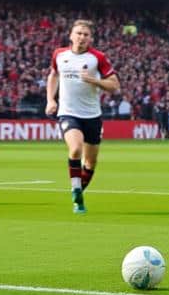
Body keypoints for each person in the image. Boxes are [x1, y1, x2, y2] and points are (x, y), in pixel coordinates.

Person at [46, 20, 120, 215]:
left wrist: (94, 80)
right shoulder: (59, 55)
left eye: (86, 34)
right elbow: (53, 75)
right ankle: (76, 189)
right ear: (71, 35)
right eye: (79, 33)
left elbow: (115, 86)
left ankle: (78, 195)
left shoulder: (98, 58)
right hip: (68, 112)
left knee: (90, 163)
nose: (82, 37)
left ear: (91, 38)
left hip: (92, 115)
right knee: (75, 148)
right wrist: (50, 100)